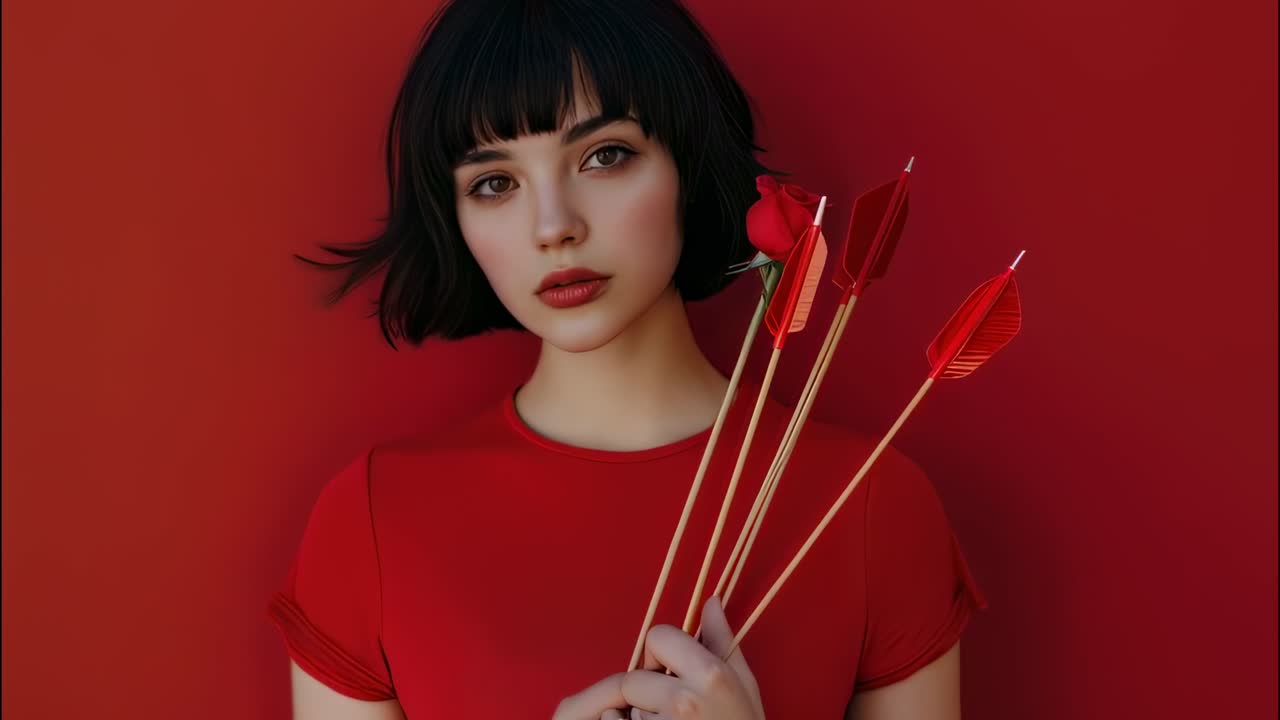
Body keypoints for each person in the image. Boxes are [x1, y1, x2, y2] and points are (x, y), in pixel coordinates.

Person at [266, 1, 987, 718]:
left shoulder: (867, 504)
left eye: (605, 155)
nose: (555, 227)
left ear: (687, 163)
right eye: (494, 183)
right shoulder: (372, 520)